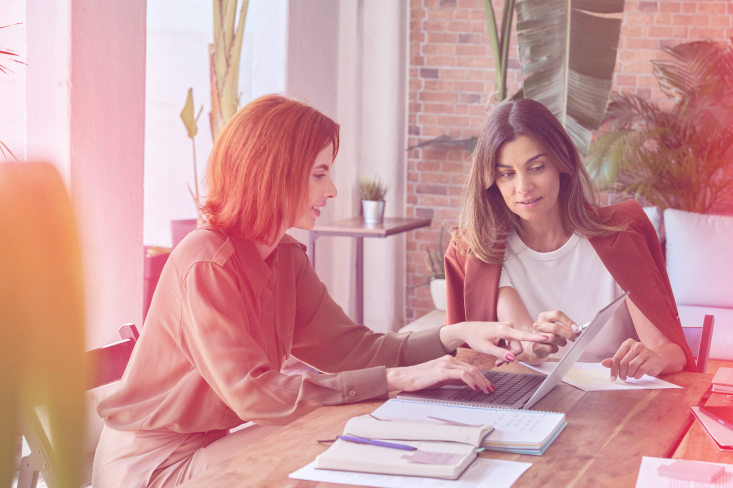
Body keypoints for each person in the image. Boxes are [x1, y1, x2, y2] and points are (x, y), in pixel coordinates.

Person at [92, 95, 550, 488]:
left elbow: (355, 351)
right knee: (344, 436)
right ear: (273, 173)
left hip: (210, 448)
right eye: (318, 174)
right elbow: (255, 395)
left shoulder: (285, 257)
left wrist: (456, 335)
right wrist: (393, 381)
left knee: (353, 428)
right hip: (154, 469)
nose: (331, 190)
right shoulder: (206, 262)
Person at [444, 98, 696, 380]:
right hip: (530, 406)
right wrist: (537, 347)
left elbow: (670, 350)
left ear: (561, 164)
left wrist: (654, 359)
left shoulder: (621, 232)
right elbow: (524, 343)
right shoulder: (482, 252)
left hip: (617, 402)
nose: (523, 187)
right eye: (506, 174)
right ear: (492, 181)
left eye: (537, 167)